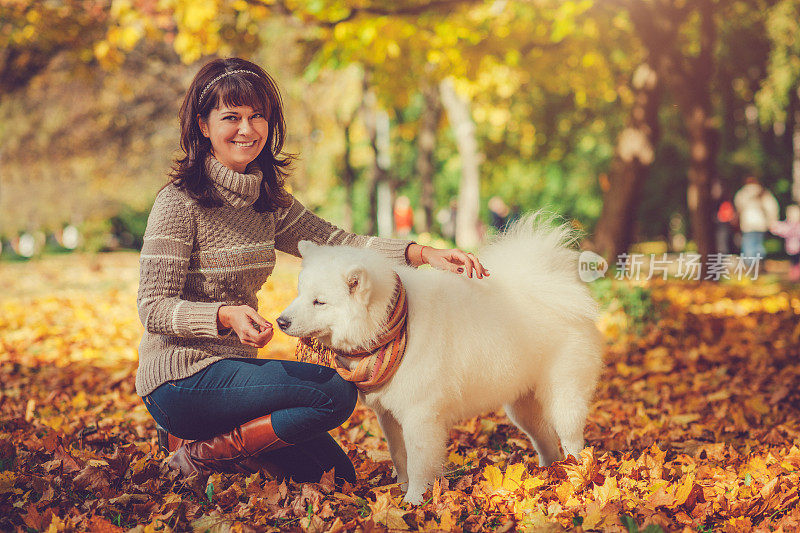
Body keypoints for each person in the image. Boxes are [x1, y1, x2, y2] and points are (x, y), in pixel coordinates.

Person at [136, 57, 488, 486]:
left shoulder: (267, 200)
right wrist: (223, 316)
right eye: (231, 117)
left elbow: (341, 243)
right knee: (335, 391)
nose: (247, 130)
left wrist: (420, 252)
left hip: (236, 375)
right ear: (203, 125)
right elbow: (152, 308)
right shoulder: (178, 203)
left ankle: (218, 445)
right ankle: (198, 454)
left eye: (257, 117)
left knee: (334, 477)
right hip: (180, 379)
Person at [733, 176, 779, 265]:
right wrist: (772, 221)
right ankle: (759, 263)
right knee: (758, 244)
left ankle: (750, 265)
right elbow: (772, 207)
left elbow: (738, 207)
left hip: (747, 223)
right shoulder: (763, 193)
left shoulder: (742, 193)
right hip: (760, 223)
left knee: (748, 244)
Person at [770, 204, 800, 282]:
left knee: (797, 262)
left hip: (797, 248)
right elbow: (781, 228)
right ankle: (794, 276)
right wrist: (774, 226)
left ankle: (796, 275)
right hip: (791, 249)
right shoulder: (788, 225)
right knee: (793, 262)